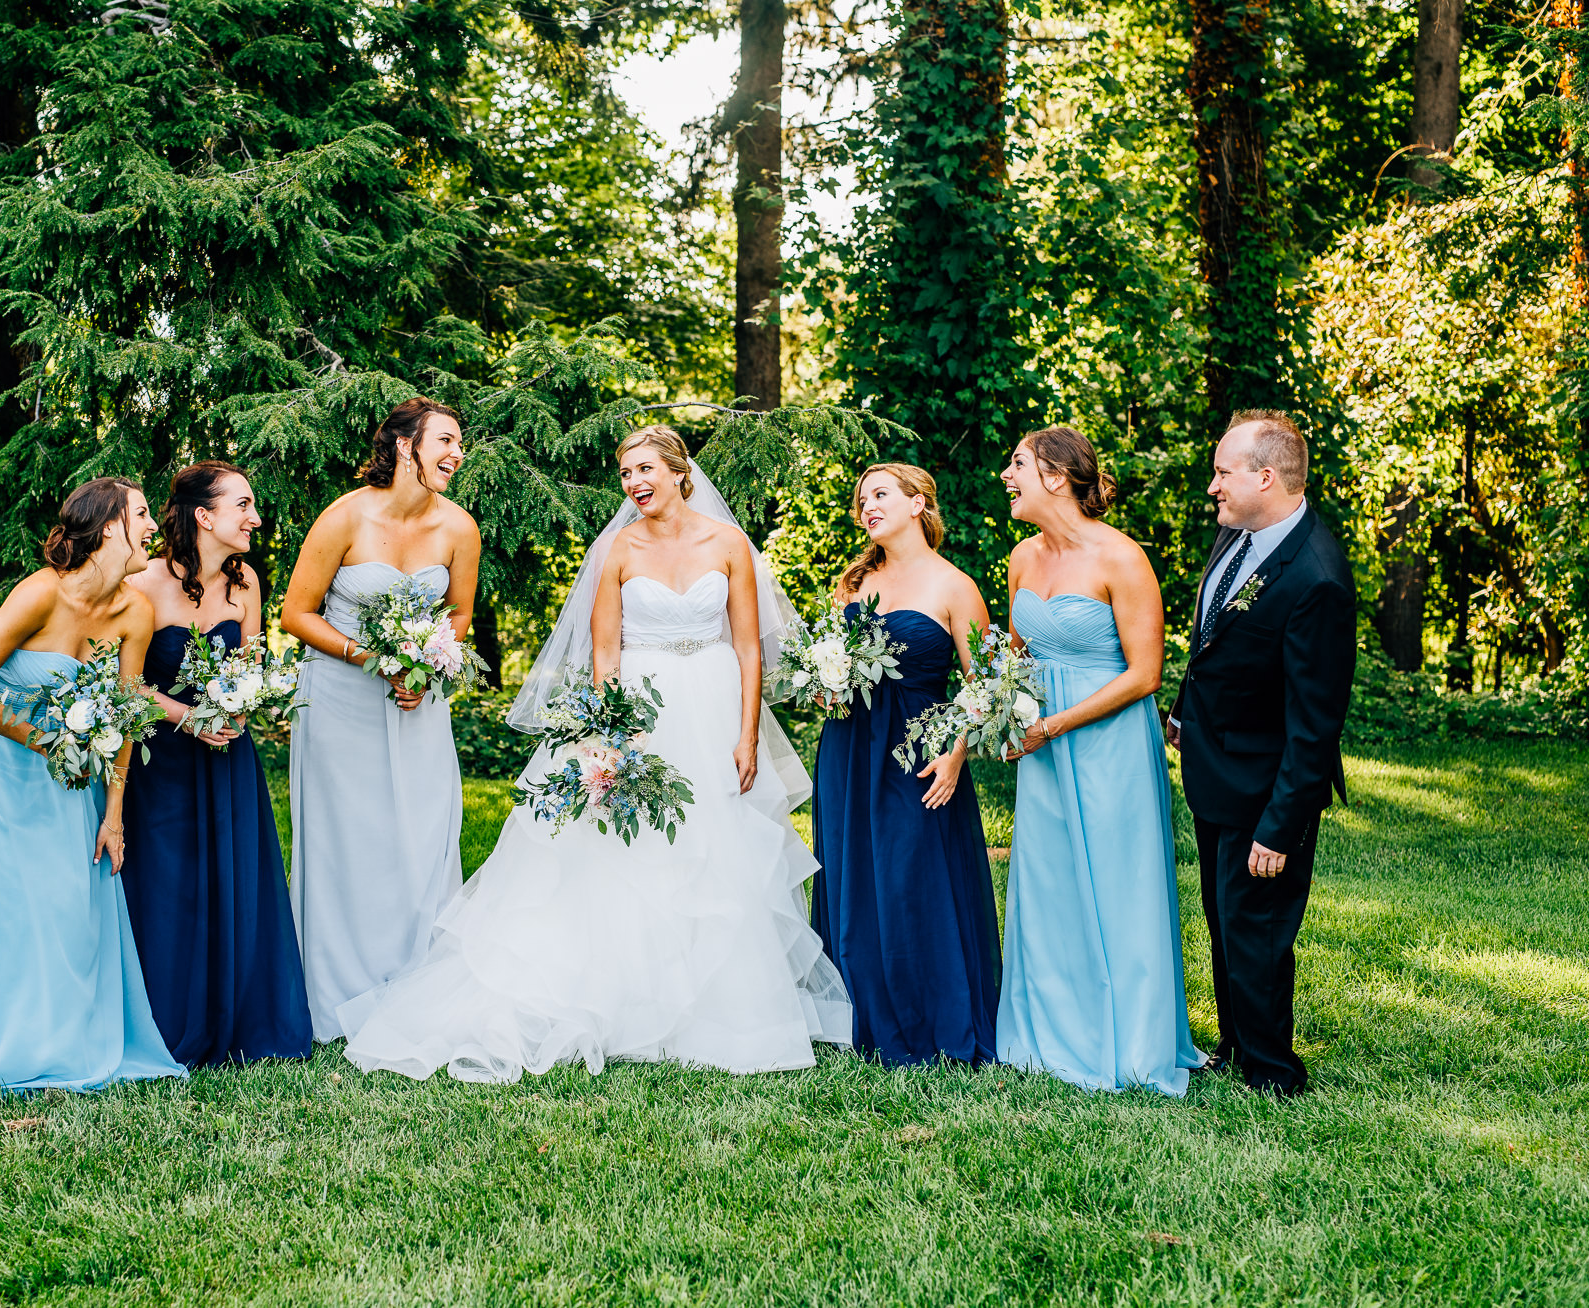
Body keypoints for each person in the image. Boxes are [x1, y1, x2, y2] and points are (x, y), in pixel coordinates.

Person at [337, 425, 851, 1082]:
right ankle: (623, 1002)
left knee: (714, 854)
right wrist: (614, 730)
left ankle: (713, 1009)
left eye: (644, 470)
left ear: (677, 470)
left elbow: (750, 647)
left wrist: (747, 734)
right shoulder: (616, 548)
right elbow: (605, 652)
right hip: (640, 707)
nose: (634, 484)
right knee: (621, 854)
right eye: (625, 475)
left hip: (715, 704)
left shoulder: (728, 544)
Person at [0, 477, 186, 1101]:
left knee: (70, 901)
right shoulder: (40, 594)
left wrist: (114, 813)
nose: (152, 527)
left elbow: (122, 717)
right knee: (10, 904)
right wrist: (49, 741)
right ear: (109, 527)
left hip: (75, 772)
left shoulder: (134, 612)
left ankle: (67, 1043)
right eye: (142, 515)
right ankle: (11, 1045)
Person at [993, 427, 1204, 1095]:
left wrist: (1052, 723)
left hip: (1107, 740)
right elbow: (1018, 653)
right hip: (1040, 745)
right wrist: (1001, 708)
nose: (1007, 475)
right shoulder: (1022, 558)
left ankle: (1130, 1042)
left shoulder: (1122, 558)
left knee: (1117, 884)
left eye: (1018, 464)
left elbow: (1145, 675)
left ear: (1056, 477)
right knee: (1049, 884)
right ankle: (1048, 1032)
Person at [279, 398, 482, 1043]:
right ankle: (338, 993)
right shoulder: (344, 516)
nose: (456, 453)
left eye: (459, 443)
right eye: (444, 441)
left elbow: (457, 614)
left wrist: (427, 667)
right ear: (404, 447)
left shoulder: (460, 528)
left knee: (422, 832)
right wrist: (367, 657)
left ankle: (419, 979)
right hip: (340, 698)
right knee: (348, 838)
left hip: (418, 701)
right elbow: (297, 613)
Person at [1168, 410, 1356, 1095]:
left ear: (1265, 476)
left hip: (1269, 786)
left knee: (1260, 931)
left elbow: (1315, 724)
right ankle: (1238, 1045)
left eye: (1223, 472)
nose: (1212, 487)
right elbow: (1216, 642)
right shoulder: (1237, 535)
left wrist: (1281, 825)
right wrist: (1186, 712)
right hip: (1218, 768)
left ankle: (1275, 1074)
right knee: (1227, 922)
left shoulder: (1317, 579)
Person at [120, 462, 312, 1067]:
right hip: (162, 764)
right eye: (244, 506)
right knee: (168, 888)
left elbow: (250, 665)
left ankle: (245, 1022)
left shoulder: (246, 582)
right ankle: (168, 1024)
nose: (255, 518)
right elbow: (125, 687)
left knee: (237, 881)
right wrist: (187, 717)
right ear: (204, 516)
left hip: (228, 755)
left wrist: (245, 705)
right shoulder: (145, 585)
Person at [809, 462, 1000, 1067]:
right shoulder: (854, 583)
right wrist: (823, 686)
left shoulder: (954, 586)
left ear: (919, 503)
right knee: (852, 871)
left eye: (881, 495)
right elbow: (831, 666)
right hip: (847, 747)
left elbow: (984, 685)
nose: (867, 506)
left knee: (909, 877)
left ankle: (929, 1018)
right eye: (861, 498)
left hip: (919, 749)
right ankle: (858, 1017)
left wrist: (956, 754)